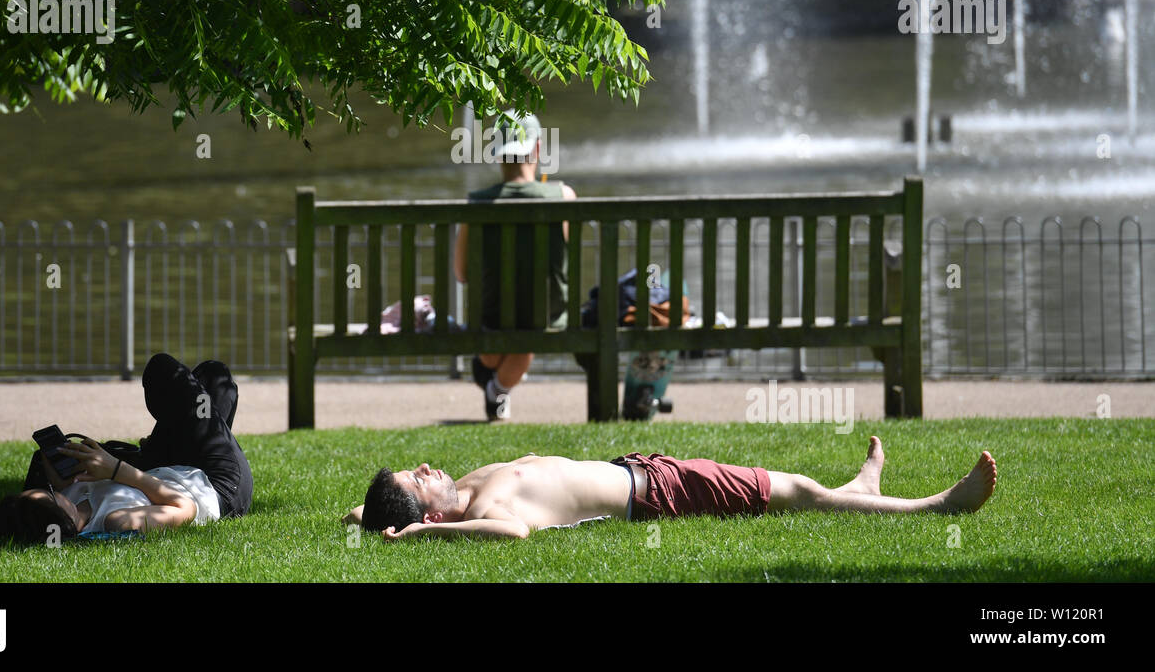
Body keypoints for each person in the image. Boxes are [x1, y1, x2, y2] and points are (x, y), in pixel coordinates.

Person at [344, 436, 997, 540]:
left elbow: (368, 513)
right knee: (797, 490)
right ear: (430, 517)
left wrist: (367, 517)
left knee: (796, 489)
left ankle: (859, 487)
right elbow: (512, 533)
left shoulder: (464, 488)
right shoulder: (489, 507)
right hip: (660, 494)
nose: (425, 468)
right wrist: (418, 536)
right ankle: (938, 506)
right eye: (417, 480)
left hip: (645, 468)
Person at [0, 353, 253, 544]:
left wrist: (64, 479)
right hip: (214, 486)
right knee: (166, 370)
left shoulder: (71, 498)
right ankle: (208, 440)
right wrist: (116, 469)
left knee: (212, 378)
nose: (53, 490)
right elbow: (186, 508)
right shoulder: (118, 521)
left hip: (170, 467)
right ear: (61, 520)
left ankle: (202, 436)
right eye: (50, 495)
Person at [454, 110, 575, 420]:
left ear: (496, 152)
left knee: (504, 331)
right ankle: (498, 387)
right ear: (538, 148)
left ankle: (494, 381)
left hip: (491, 316)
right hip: (545, 315)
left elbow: (461, 273)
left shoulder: (476, 203)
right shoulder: (563, 197)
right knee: (528, 323)